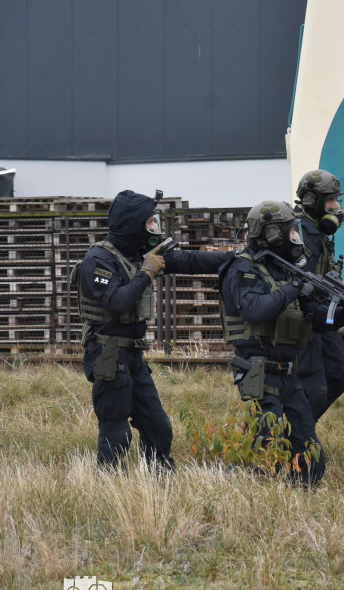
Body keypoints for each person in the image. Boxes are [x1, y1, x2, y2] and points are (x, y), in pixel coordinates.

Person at [75, 190, 231, 469]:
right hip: (107, 353)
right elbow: (117, 302)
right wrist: (147, 272)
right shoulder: (98, 259)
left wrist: (236, 259)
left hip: (133, 355)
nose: (154, 229)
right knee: (116, 432)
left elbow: (190, 261)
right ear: (133, 224)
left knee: (158, 427)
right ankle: (108, 489)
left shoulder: (142, 254)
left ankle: (160, 481)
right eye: (149, 223)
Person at [219, 200, 326, 486]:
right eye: (292, 232)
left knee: (311, 452)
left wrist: (341, 312)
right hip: (257, 371)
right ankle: (242, 493)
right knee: (267, 443)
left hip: (287, 373)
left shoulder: (282, 268)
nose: (297, 238)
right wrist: (294, 287)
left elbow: (313, 315)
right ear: (274, 235)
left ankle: (300, 506)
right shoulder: (244, 270)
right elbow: (256, 309)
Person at [293, 169, 344, 421]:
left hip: (317, 315)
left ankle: (300, 427)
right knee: (313, 383)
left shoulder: (317, 230)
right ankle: (292, 432)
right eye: (330, 200)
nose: (336, 207)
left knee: (339, 374)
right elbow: (301, 283)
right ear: (312, 201)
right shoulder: (303, 233)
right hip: (304, 318)